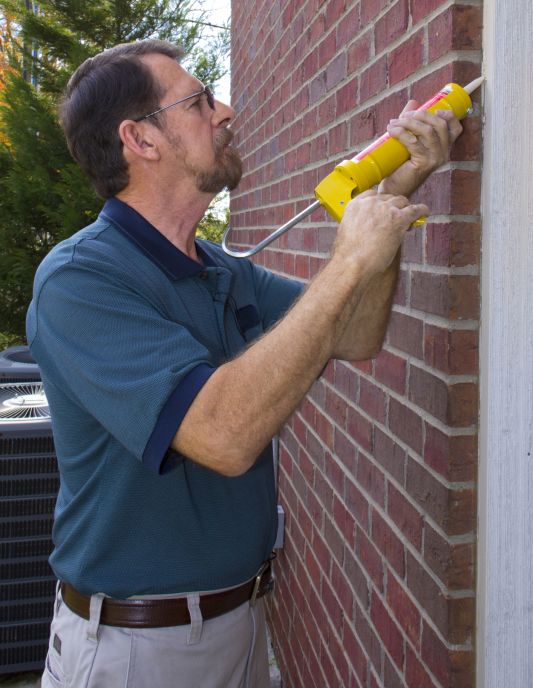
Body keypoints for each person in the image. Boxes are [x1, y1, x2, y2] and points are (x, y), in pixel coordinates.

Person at [27, 39, 462, 688]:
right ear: (140, 140)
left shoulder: (219, 272)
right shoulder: (81, 280)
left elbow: (355, 333)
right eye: (199, 101)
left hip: (242, 620)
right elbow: (222, 437)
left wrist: (392, 196)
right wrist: (346, 261)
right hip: (135, 650)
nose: (225, 111)